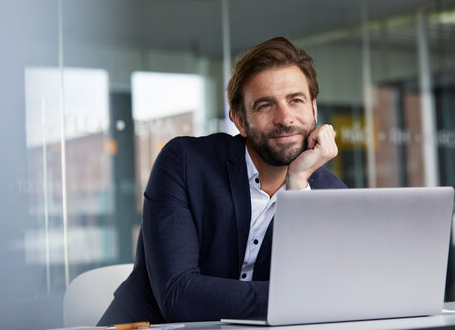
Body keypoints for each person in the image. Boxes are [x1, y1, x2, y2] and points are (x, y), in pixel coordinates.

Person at [98, 36, 346, 325]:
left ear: (314, 109)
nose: (285, 118)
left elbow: (326, 296)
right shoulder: (185, 163)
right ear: (240, 120)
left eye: (296, 100)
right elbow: (178, 296)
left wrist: (298, 182)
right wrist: (298, 299)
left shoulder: (328, 193)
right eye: (266, 105)